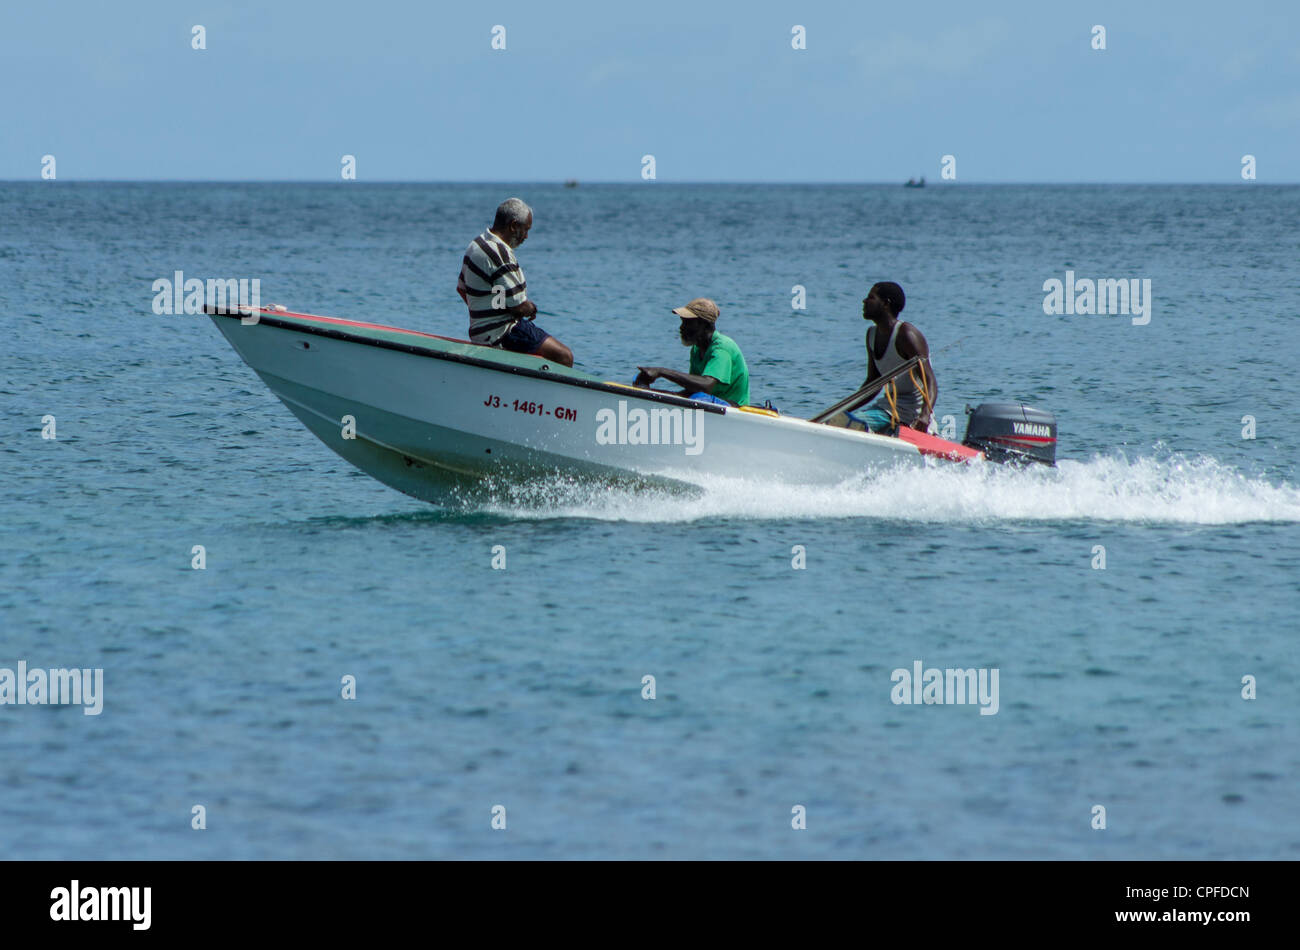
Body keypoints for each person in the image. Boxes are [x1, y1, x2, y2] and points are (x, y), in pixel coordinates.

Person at [456, 197, 574, 367]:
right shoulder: (499, 253)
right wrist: (530, 308)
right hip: (504, 333)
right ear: (513, 226)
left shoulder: (476, 245)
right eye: (525, 229)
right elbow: (517, 306)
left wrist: (486, 310)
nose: (526, 236)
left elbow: (462, 290)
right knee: (564, 356)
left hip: (479, 332)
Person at [845, 281, 937, 434]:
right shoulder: (871, 335)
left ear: (886, 304)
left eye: (871, 297)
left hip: (910, 414)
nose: (864, 301)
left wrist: (925, 416)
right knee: (841, 420)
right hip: (886, 409)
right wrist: (843, 410)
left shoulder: (906, 334)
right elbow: (873, 384)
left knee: (850, 426)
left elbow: (930, 381)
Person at [634, 298, 750, 406]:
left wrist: (661, 372)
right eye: (682, 322)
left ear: (704, 324)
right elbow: (692, 389)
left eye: (687, 323)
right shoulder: (696, 349)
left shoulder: (722, 349)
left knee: (699, 397)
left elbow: (706, 385)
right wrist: (651, 393)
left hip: (734, 408)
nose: (681, 327)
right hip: (708, 402)